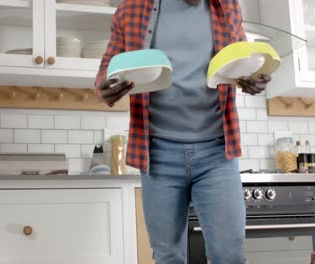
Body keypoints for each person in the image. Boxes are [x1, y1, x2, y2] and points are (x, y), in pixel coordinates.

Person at [95, 0, 271, 263]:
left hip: (217, 153)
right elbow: (105, 73)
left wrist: (253, 77)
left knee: (229, 256)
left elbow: (240, 61)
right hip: (158, 155)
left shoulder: (228, 6)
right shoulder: (131, 8)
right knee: (168, 257)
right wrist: (105, 88)